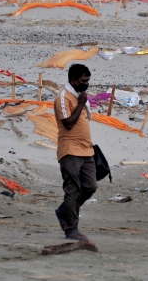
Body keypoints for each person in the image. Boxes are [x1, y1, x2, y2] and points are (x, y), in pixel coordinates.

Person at [53, 64, 97, 240]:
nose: (86, 84)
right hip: (70, 150)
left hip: (87, 149)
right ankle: (71, 229)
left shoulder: (80, 95)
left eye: (88, 80)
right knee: (72, 190)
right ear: (73, 80)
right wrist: (80, 104)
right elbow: (68, 123)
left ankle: (64, 211)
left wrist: (82, 101)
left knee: (90, 186)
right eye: (83, 81)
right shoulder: (63, 98)